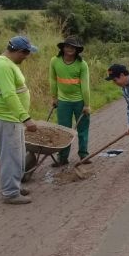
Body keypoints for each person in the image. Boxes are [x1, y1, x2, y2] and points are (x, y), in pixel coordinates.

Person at [0, 36, 38, 204]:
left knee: (18, 155)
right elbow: (9, 95)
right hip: (3, 117)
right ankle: (10, 193)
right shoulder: (2, 66)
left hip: (11, 118)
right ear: (20, 51)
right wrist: (26, 118)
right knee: (10, 156)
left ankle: (14, 185)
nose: (27, 57)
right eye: (26, 54)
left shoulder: (8, 63)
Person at [49, 36, 91, 166]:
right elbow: (52, 80)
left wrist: (87, 104)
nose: (70, 49)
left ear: (77, 50)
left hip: (79, 101)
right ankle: (62, 157)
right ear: (63, 48)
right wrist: (54, 97)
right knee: (64, 130)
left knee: (82, 130)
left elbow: (85, 86)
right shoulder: (55, 61)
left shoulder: (82, 64)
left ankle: (83, 155)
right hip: (63, 102)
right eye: (67, 46)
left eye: (73, 47)